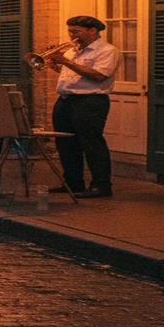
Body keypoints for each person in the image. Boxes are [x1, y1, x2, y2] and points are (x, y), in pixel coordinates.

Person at [44, 15, 120, 199]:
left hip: (90, 102)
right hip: (65, 100)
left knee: (91, 144)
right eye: (70, 31)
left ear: (92, 31)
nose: (71, 35)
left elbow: (98, 76)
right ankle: (72, 182)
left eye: (76, 31)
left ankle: (101, 186)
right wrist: (55, 65)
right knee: (65, 143)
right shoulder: (73, 51)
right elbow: (72, 73)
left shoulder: (107, 51)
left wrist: (65, 61)